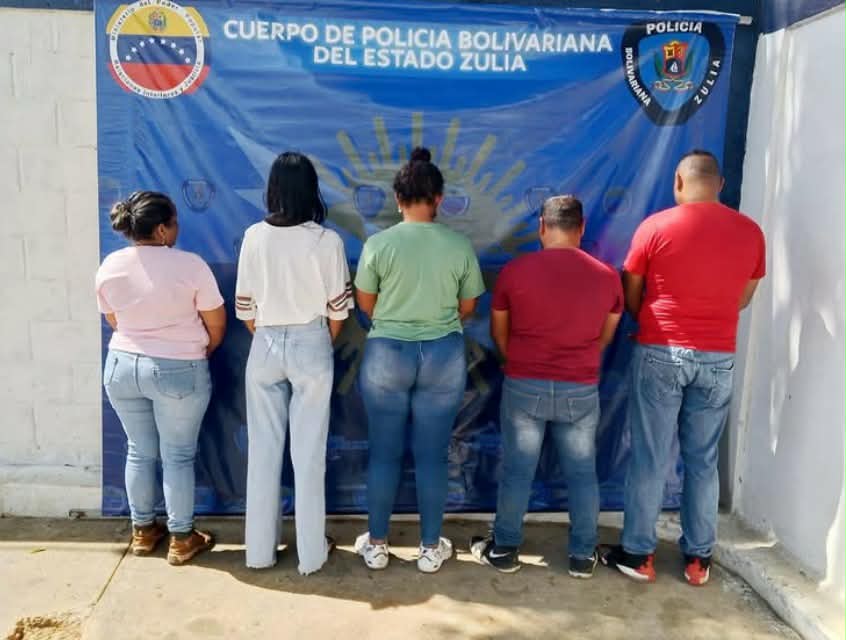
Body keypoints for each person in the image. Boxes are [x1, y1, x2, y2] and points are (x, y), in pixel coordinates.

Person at [600, 150, 766, 586]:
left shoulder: (655, 227)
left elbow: (632, 291)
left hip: (661, 349)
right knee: (703, 460)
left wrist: (654, 319)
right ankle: (698, 560)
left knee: (650, 457)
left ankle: (639, 554)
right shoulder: (751, 232)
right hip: (718, 356)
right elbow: (743, 298)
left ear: (678, 182)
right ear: (720, 185)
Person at [469, 195, 623, 577]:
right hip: (580, 387)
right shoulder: (608, 277)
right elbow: (605, 337)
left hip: (524, 383)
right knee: (582, 473)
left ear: (541, 226)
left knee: (517, 471)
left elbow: (499, 332)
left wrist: (517, 362)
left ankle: (504, 549)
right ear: (581, 228)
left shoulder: (515, 272)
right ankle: (582, 557)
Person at [353, 147, 485, 573]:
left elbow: (366, 303)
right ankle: (430, 548)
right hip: (443, 354)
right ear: (439, 198)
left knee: (383, 454)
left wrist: (396, 319)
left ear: (398, 199)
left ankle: (376, 545)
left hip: (386, 353)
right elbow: (469, 307)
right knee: (432, 457)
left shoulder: (378, 244)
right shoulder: (459, 245)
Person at [236, 151, 353, 575]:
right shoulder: (327, 241)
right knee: (308, 456)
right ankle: (311, 554)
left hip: (265, 342)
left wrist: (273, 336)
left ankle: (258, 553)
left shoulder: (253, 236)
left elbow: (245, 310)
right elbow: (339, 311)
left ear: (272, 189)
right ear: (311, 190)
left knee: (262, 456)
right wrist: (316, 341)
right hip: (312, 340)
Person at [96, 191, 226, 565]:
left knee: (138, 450)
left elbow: (113, 319)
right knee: (178, 456)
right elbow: (216, 323)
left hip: (121, 366)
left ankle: (143, 531)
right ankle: (182, 538)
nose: (178, 227)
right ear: (161, 230)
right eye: (175, 222)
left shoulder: (110, 265)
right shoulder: (190, 265)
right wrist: (201, 350)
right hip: (178, 368)